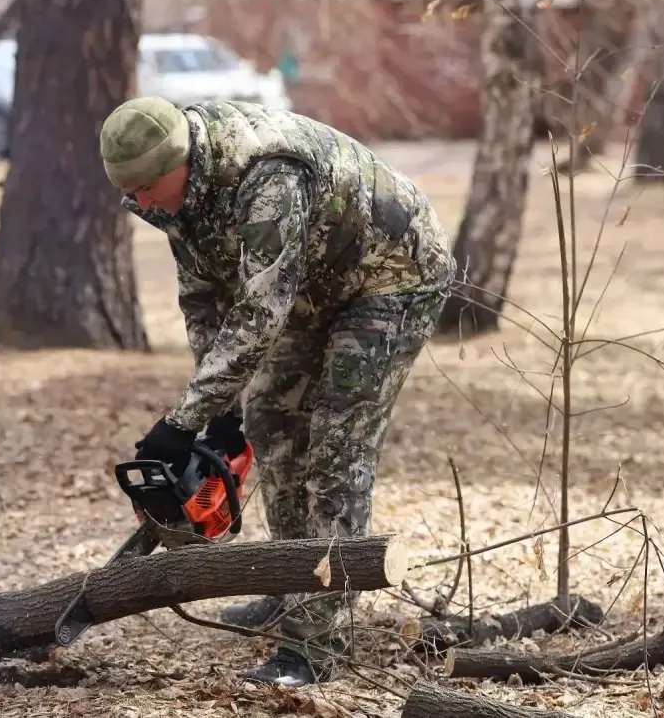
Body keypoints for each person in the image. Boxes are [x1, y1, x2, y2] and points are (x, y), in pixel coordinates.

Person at [99, 97, 455, 687]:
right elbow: (204, 301)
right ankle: (293, 583)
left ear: (178, 160)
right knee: (269, 423)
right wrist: (218, 415)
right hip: (315, 285)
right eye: (129, 193)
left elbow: (261, 312)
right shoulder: (169, 195)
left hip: (391, 277)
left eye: (146, 189)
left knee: (336, 445)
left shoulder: (267, 174)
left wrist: (179, 423)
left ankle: (316, 645)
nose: (142, 204)